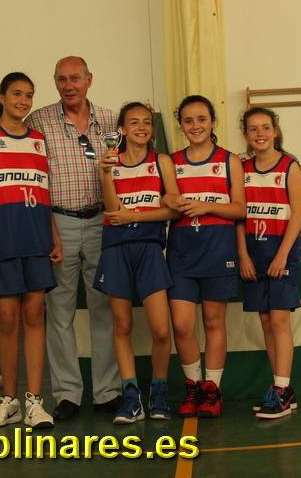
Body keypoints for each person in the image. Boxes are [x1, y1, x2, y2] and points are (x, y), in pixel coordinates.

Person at [0, 56, 122, 420]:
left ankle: (107, 393)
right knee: (57, 315)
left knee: (104, 310)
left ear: (89, 79)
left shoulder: (111, 120)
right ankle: (67, 395)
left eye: (75, 78)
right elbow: (2, 134)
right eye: (61, 79)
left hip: (101, 221)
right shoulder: (39, 121)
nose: (69, 85)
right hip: (57, 222)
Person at [0, 72, 62, 429]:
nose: (23, 101)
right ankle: (9, 402)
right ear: (2, 97)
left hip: (35, 241)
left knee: (35, 315)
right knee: (8, 319)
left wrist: (54, 236)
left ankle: (35, 402)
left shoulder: (38, 140)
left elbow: (42, 191)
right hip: (1, 243)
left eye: (29, 95)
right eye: (17, 94)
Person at [94, 102, 180, 424]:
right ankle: (131, 398)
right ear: (122, 129)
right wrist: (105, 173)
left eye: (146, 122)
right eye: (134, 122)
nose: (142, 127)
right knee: (122, 326)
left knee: (161, 330)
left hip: (149, 248)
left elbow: (173, 209)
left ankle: (159, 393)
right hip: (116, 248)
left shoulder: (161, 161)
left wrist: (134, 216)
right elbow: (111, 209)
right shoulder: (109, 162)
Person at [163, 95, 246, 418]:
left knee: (213, 322)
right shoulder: (171, 162)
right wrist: (170, 200)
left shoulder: (229, 160)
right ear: (180, 125)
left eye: (201, 119)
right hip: (182, 253)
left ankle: (211, 389)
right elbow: (163, 200)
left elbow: (240, 209)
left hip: (218, 251)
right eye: (188, 120)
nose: (195, 125)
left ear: (212, 122)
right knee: (182, 325)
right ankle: (193, 386)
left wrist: (206, 206)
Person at [236, 107, 301, 419]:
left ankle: (281, 388)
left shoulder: (289, 166)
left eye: (265, 127)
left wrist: (282, 255)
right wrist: (243, 254)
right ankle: (282, 387)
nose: (260, 133)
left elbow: (298, 213)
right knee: (265, 323)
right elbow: (239, 215)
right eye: (253, 129)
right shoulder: (242, 168)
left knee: (279, 322)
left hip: (281, 254)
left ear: (275, 131)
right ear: (246, 135)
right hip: (254, 255)